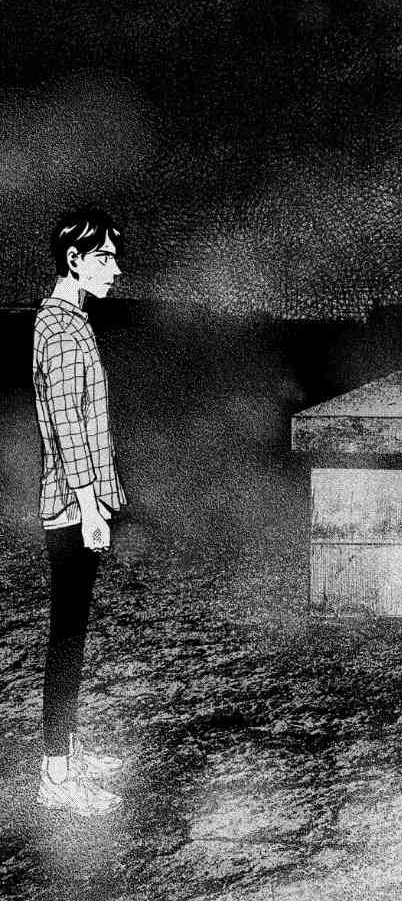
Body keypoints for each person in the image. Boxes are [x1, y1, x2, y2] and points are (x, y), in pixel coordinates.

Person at [32, 208, 128, 816]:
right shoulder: (63, 332)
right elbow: (69, 431)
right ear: (74, 260)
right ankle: (56, 776)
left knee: (73, 632)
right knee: (67, 638)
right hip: (72, 506)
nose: (115, 270)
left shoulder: (66, 321)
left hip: (75, 500)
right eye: (104, 258)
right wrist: (92, 509)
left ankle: (66, 752)